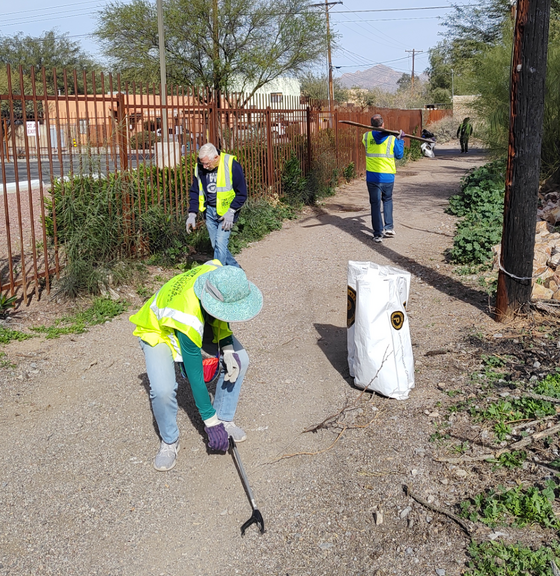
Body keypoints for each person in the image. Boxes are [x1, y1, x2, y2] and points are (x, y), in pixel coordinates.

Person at [130, 261, 263, 471]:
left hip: (191, 316)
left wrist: (227, 348)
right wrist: (210, 422)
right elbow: (194, 373)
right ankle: (169, 441)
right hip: (157, 330)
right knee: (163, 390)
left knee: (241, 359)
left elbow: (222, 313)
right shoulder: (188, 315)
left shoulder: (218, 276)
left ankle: (225, 417)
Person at [185, 143, 248, 267]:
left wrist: (231, 211)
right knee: (216, 245)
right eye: (202, 163)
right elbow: (195, 191)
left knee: (220, 243)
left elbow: (242, 193)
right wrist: (192, 214)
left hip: (226, 213)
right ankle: (236, 269)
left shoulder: (231, 164)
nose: (204, 166)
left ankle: (218, 276)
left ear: (216, 157)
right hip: (209, 212)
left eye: (207, 163)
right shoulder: (200, 168)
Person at [362, 114, 405, 243]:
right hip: (387, 177)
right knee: (387, 200)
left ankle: (377, 234)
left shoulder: (366, 137)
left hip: (372, 177)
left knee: (375, 204)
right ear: (383, 124)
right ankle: (389, 227)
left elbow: (370, 144)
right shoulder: (392, 139)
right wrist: (400, 140)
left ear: (371, 125)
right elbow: (399, 155)